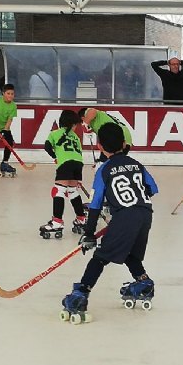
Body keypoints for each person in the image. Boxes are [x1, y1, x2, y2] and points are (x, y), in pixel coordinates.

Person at [60, 122, 159, 323]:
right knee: (129, 252)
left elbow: (95, 204)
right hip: (145, 214)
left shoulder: (103, 170)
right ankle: (144, 282)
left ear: (99, 146)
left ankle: (81, 294)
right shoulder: (137, 164)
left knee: (100, 257)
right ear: (124, 144)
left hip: (125, 216)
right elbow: (152, 188)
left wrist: (89, 233)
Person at [39, 110, 87, 239]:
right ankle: (81, 219)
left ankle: (57, 222)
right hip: (78, 164)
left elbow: (47, 147)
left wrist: (55, 157)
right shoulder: (76, 137)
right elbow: (79, 154)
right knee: (72, 192)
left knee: (58, 191)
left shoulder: (55, 133)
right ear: (72, 124)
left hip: (65, 163)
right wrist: (78, 177)